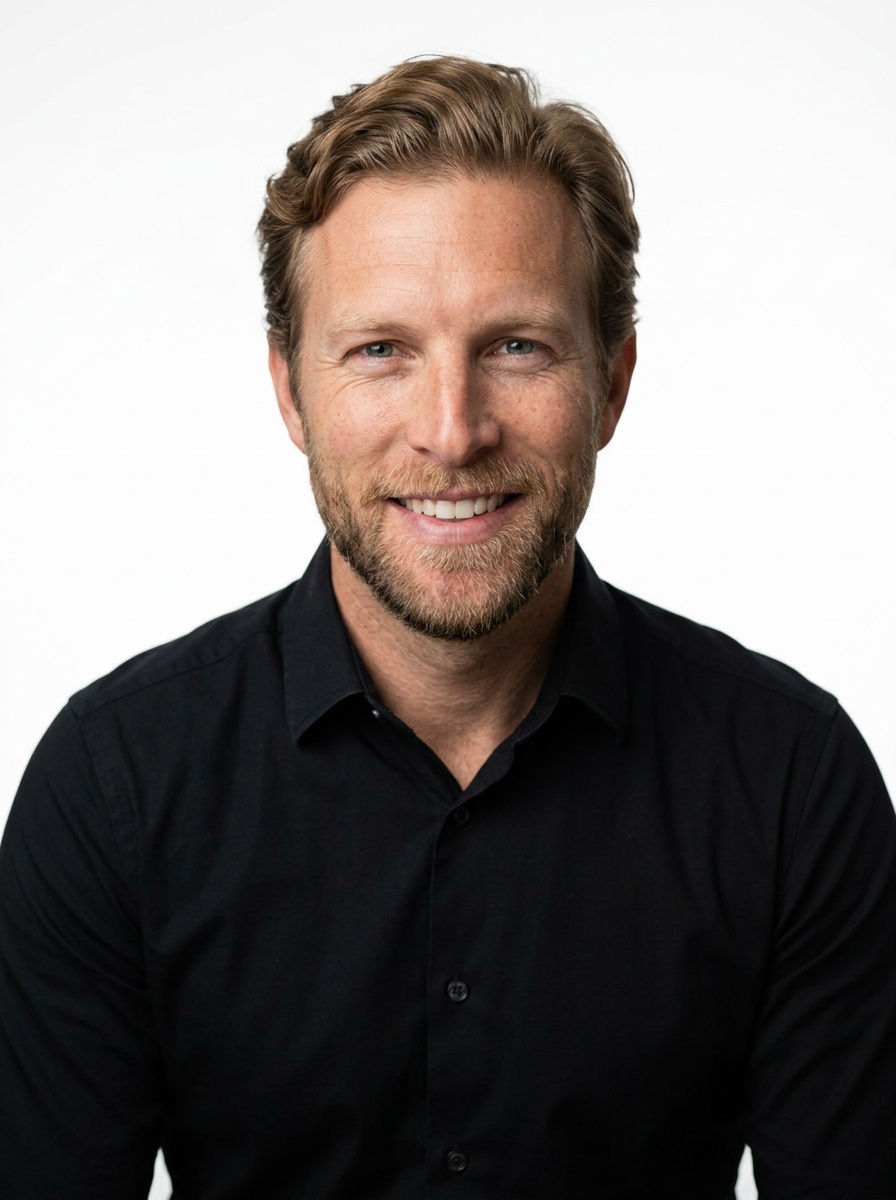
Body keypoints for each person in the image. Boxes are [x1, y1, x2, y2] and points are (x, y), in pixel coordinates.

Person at [0, 55, 893, 1200]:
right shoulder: (114, 783)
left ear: (612, 382)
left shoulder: (788, 779)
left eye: (515, 346)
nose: (452, 429)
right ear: (289, 392)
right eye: (381, 350)